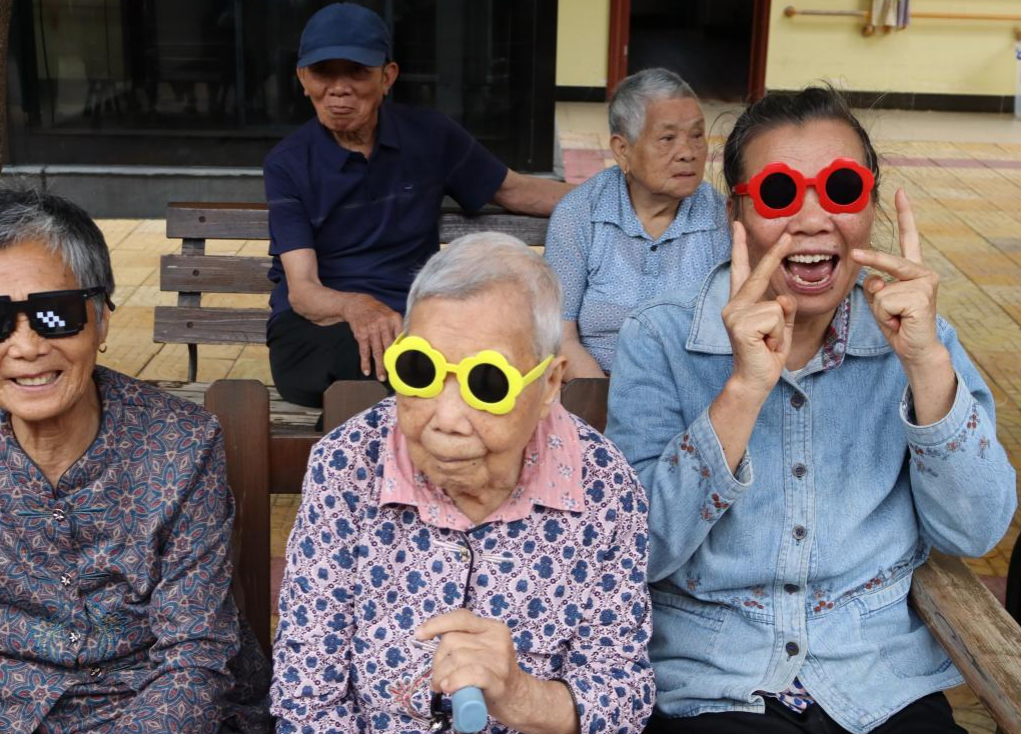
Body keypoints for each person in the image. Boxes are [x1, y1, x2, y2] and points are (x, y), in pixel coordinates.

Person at [605, 87, 1016, 733]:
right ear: (735, 214)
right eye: (778, 194)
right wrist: (742, 390)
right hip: (714, 683)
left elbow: (977, 531)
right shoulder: (659, 337)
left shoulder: (919, 341)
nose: (813, 218)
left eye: (842, 189)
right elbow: (637, 550)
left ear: (872, 204)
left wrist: (927, 365)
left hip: (877, 681)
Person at [0, 184, 268, 734]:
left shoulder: (181, 445)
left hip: (146, 709)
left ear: (101, 320)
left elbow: (193, 658)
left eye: (54, 313)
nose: (26, 347)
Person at [271, 233, 655, 733]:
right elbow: (306, 697)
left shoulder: (603, 484)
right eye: (419, 370)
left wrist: (521, 696)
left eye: (486, 383)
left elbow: (621, 695)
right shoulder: (348, 464)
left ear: (549, 384)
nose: (447, 419)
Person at [264, 2, 573, 408]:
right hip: (316, 328)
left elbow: (514, 191)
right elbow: (304, 292)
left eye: (357, 71)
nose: (339, 88)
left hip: (415, 322)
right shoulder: (287, 163)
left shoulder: (429, 136)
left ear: (387, 76)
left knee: (456, 366)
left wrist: (614, 195)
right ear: (303, 79)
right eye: (323, 73)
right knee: (395, 371)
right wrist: (357, 307)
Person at [544, 68, 729, 381]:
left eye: (697, 135)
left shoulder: (719, 218)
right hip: (595, 387)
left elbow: (728, 334)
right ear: (623, 150)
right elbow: (560, 335)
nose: (688, 153)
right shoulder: (580, 215)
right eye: (667, 138)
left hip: (691, 391)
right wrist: (607, 402)